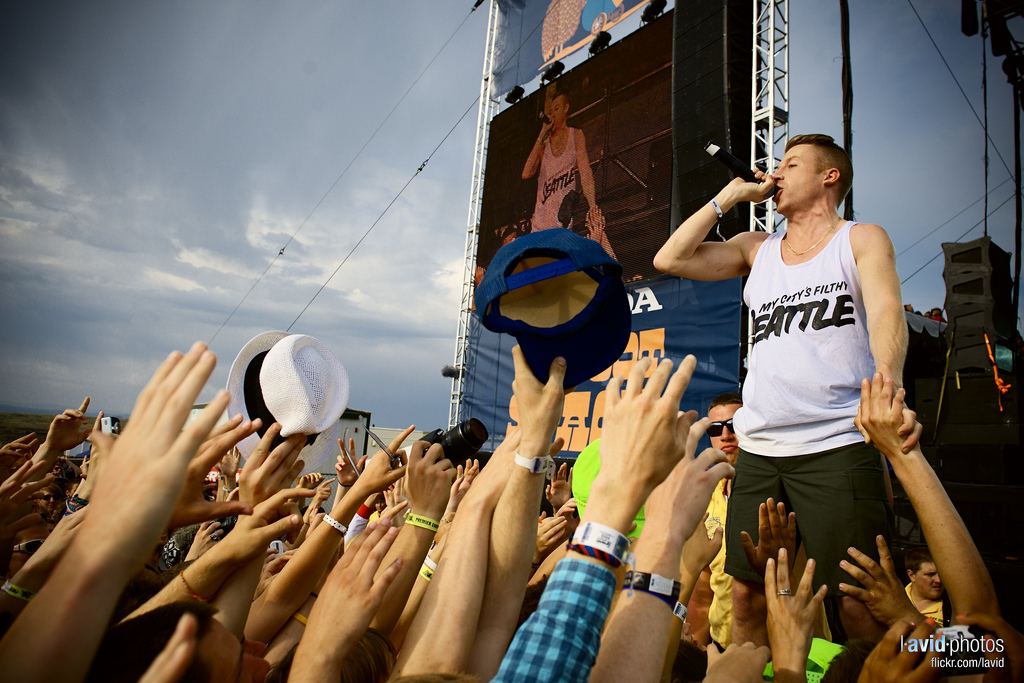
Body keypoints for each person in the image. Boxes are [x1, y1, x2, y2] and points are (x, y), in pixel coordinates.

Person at [653, 133, 910, 642]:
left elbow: (885, 310)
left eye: (790, 164)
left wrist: (889, 384)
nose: (776, 173)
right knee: (748, 595)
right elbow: (670, 259)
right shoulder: (757, 249)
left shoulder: (860, 238)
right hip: (761, 449)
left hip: (836, 440)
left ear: (828, 176)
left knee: (860, 605)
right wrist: (728, 197)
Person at [521, 90, 615, 259]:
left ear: (566, 108)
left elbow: (585, 172)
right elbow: (526, 173)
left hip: (561, 230)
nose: (553, 113)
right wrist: (541, 135)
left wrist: (592, 205)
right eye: (550, 111)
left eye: (556, 108)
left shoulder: (576, 135)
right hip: (539, 229)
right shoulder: (543, 146)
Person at [685, 392, 741, 649]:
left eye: (736, 424)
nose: (725, 435)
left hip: (789, 652)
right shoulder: (706, 495)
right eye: (715, 429)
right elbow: (703, 590)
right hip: (722, 646)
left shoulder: (783, 486)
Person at [903, 547, 944, 624]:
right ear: (911, 575)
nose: (938, 580)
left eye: (942, 574)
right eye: (930, 574)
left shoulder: (953, 608)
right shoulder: (896, 598)